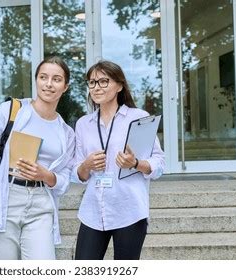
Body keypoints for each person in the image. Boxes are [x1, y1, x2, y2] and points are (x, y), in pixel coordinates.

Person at [0, 56, 75, 260]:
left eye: (57, 79)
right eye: (43, 77)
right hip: (5, 198)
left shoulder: (66, 132)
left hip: (41, 204)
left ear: (65, 86)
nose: (49, 84)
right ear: (36, 80)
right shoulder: (12, 111)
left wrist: (46, 175)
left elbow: (64, 180)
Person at [73, 60, 165, 260]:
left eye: (103, 81)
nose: (96, 87)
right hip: (93, 211)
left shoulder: (138, 117)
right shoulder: (83, 124)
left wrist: (136, 163)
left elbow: (159, 162)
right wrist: (86, 165)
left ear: (120, 86)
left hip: (129, 209)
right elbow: (77, 173)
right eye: (92, 82)